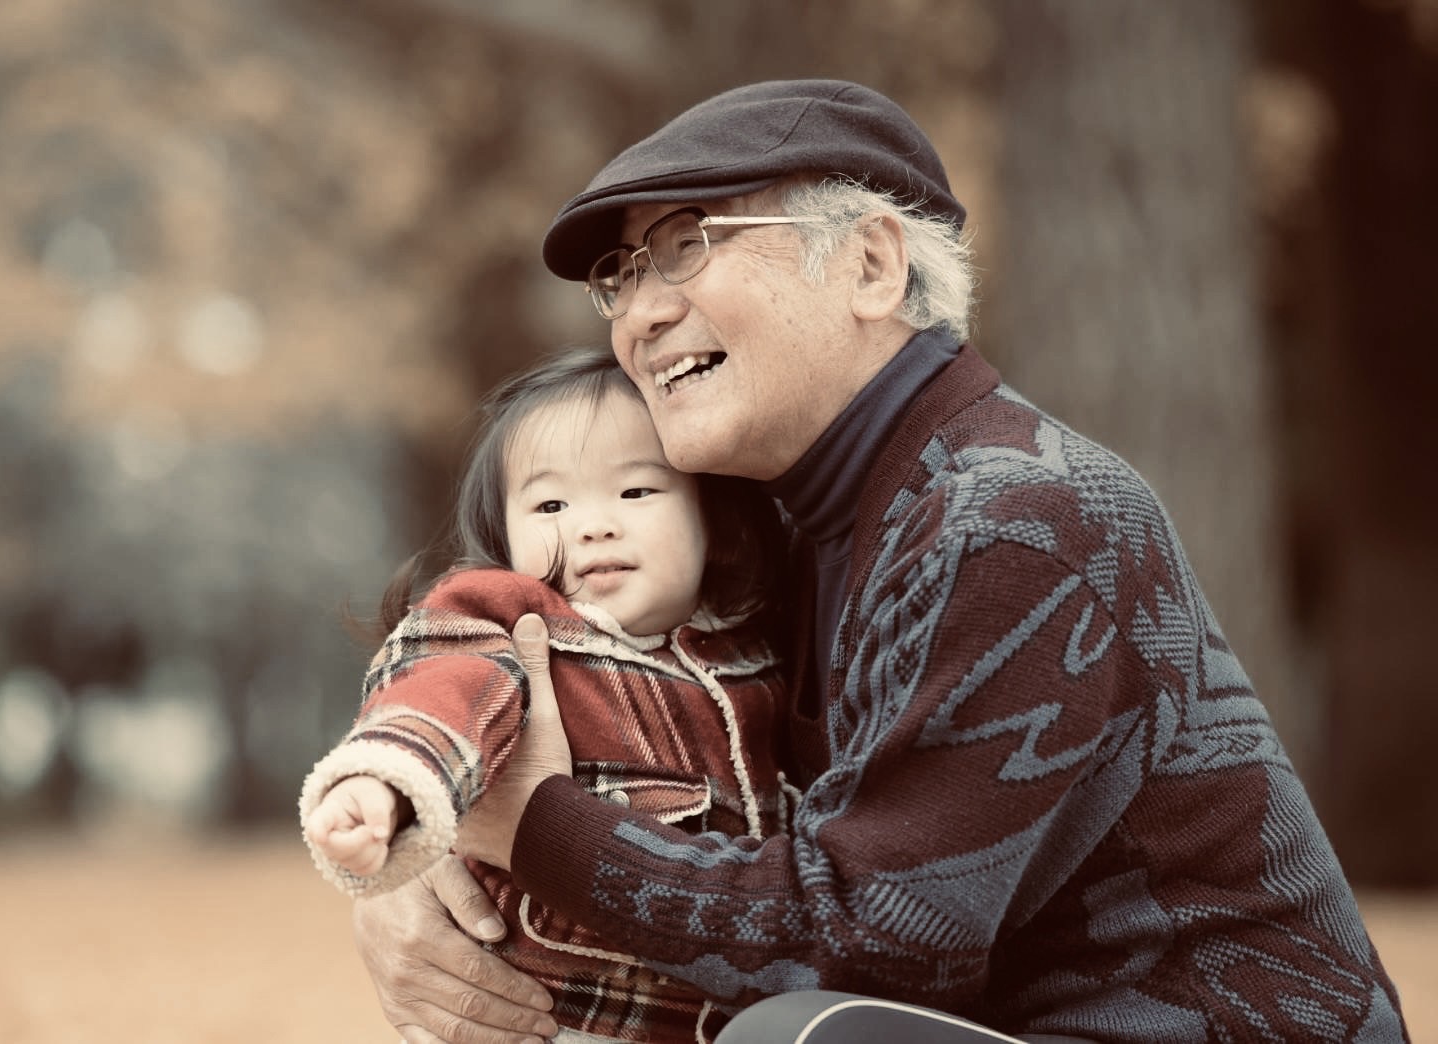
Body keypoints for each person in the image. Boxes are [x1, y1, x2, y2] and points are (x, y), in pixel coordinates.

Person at [353, 80, 1409, 1043]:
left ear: (868, 264)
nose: (637, 311)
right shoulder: (773, 532)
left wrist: (536, 825)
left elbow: (874, 941)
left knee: (794, 1039)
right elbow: (512, 657)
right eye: (620, 277)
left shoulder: (1011, 515)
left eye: (683, 245)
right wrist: (413, 840)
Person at [300, 346, 800, 1042]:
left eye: (636, 492)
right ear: (503, 536)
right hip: (556, 1019)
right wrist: (386, 785)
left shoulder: (763, 653)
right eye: (552, 503)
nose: (594, 525)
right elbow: (442, 691)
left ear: (711, 521)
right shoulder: (509, 623)